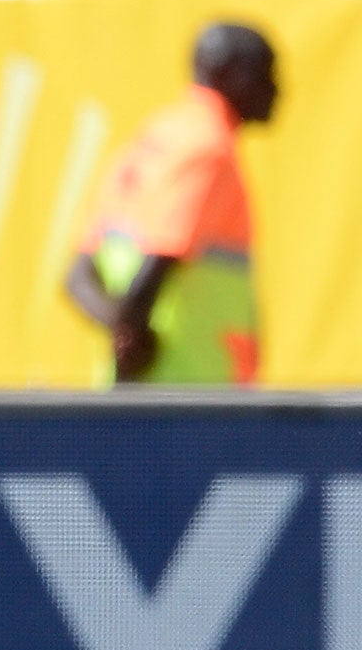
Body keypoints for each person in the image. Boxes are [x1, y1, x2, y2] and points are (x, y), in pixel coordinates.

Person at [66, 22, 277, 384]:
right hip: (191, 393)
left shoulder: (153, 138)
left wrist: (121, 336)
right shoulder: (209, 149)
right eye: (265, 73)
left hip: (146, 395)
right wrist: (133, 338)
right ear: (230, 74)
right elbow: (162, 255)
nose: (277, 89)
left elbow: (77, 277)